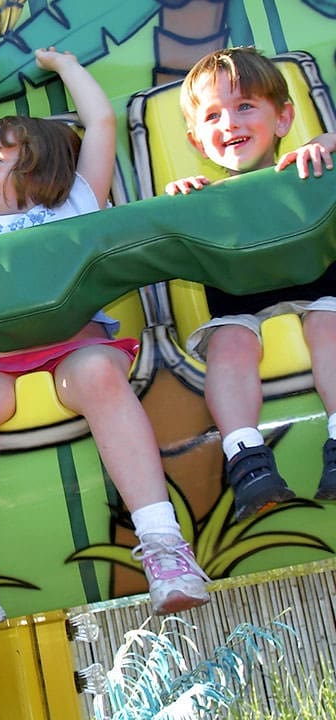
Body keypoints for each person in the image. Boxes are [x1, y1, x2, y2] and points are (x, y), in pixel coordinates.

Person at [0, 49, 212, 643]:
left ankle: (162, 544)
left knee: (100, 375)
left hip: (73, 346)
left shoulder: (75, 200)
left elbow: (100, 125)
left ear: (42, 166)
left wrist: (68, 68)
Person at [165, 46, 336, 518]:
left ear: (283, 119)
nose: (230, 123)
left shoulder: (310, 169)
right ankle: (247, 459)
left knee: (329, 325)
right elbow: (163, 239)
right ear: (198, 142)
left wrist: (327, 142)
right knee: (229, 344)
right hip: (241, 306)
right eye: (214, 115)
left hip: (319, 293)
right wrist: (181, 205)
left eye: (245, 106)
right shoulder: (203, 197)